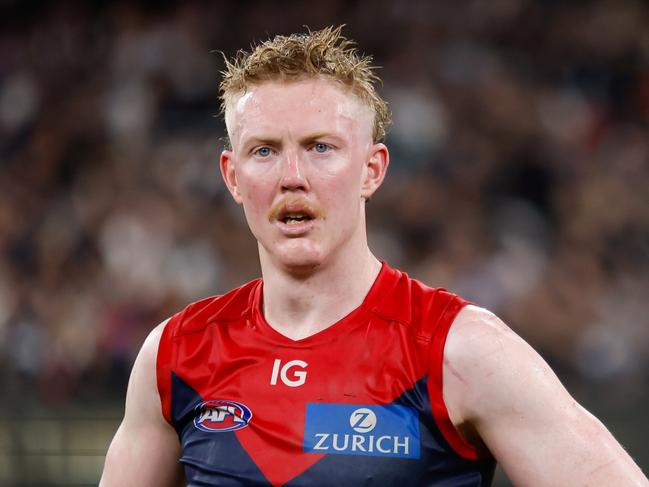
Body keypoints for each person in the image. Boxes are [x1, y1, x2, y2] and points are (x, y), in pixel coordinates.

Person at [100, 26, 648, 486]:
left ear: (372, 169)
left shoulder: (462, 350)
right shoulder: (175, 355)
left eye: (321, 147)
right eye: (264, 151)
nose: (293, 177)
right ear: (232, 176)